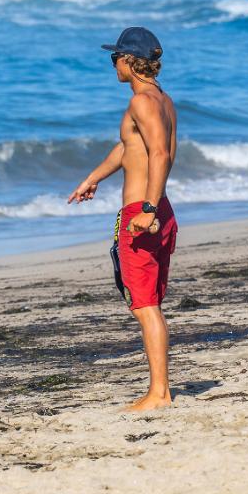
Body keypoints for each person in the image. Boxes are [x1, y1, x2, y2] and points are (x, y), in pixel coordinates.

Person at [67, 27, 179, 411]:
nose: (111, 63)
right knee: (150, 304)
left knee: (145, 305)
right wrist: (92, 178)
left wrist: (147, 210)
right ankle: (160, 389)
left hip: (144, 213)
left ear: (130, 62)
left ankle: (159, 394)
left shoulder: (142, 104)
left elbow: (161, 155)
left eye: (114, 56)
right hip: (159, 211)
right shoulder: (160, 100)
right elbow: (129, 148)